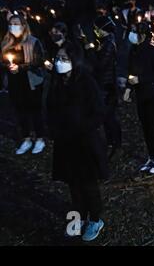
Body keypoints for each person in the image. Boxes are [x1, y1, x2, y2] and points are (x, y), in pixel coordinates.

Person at [47, 31, 107, 241]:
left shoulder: (86, 82)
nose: (59, 62)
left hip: (85, 142)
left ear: (75, 60)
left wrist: (81, 126)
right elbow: (50, 109)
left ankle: (95, 218)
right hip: (65, 143)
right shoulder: (56, 83)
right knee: (73, 184)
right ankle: (78, 217)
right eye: (58, 58)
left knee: (88, 184)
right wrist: (53, 129)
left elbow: (99, 112)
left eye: (64, 59)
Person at [1, 14, 46, 155]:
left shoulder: (33, 41)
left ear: (23, 25)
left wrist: (20, 67)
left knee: (35, 111)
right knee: (20, 111)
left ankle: (40, 138)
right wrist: (7, 66)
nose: (13, 26)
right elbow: (2, 61)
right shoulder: (5, 42)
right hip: (14, 83)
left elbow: (39, 61)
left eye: (16, 23)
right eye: (11, 23)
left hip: (31, 82)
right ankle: (26, 139)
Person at [128, 22, 154, 174]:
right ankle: (152, 156)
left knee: (152, 126)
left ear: (142, 35)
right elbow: (130, 69)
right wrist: (128, 86)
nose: (131, 34)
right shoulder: (134, 51)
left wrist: (141, 79)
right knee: (145, 127)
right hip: (141, 95)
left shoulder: (153, 51)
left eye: (134, 31)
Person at [93, 16, 122, 154]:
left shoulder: (109, 44)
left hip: (108, 85)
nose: (95, 30)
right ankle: (111, 140)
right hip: (104, 83)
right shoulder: (103, 42)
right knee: (107, 115)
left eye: (97, 28)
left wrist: (91, 51)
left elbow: (101, 65)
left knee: (109, 115)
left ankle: (115, 141)